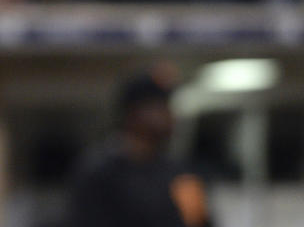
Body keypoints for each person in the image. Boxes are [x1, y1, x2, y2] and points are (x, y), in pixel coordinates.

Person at [62, 67, 213, 227]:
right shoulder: (99, 173)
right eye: (159, 108)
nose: (169, 116)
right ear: (133, 113)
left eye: (168, 107)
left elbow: (199, 221)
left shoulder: (179, 172)